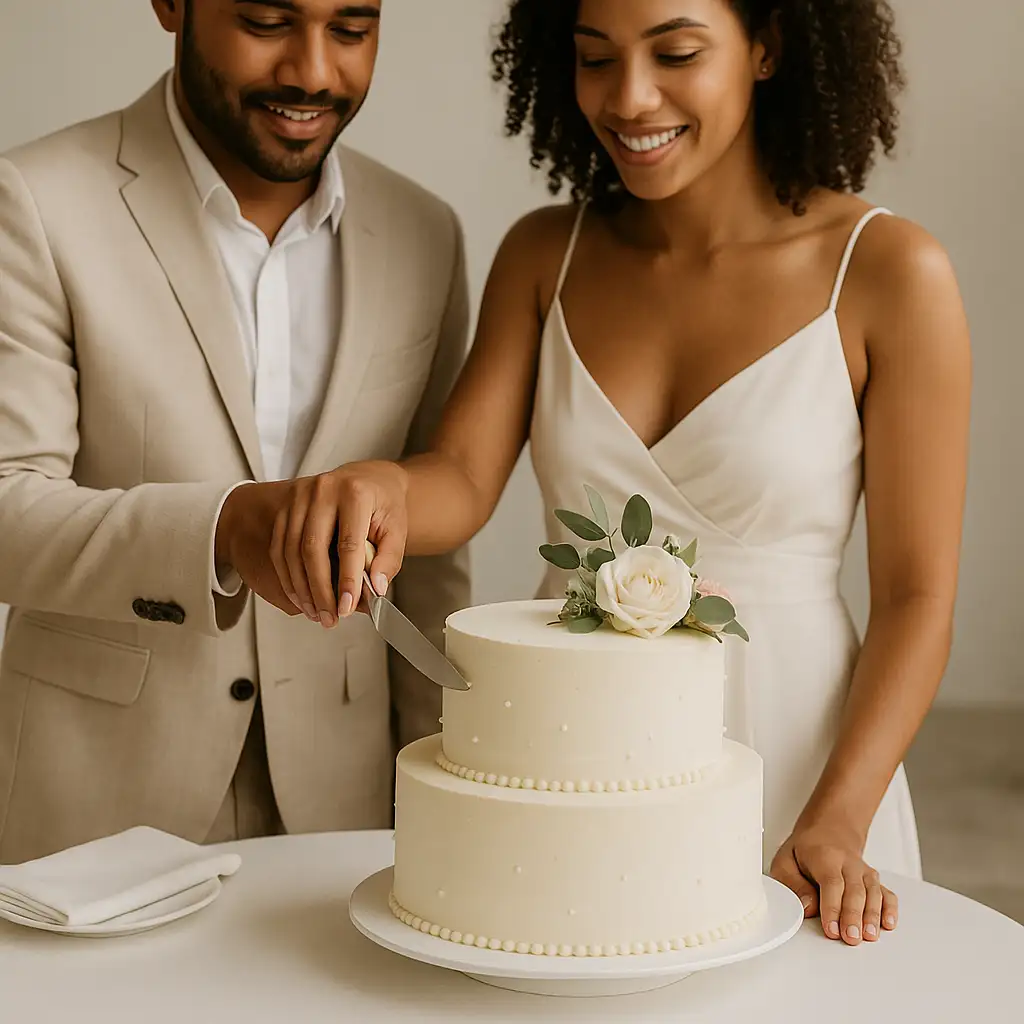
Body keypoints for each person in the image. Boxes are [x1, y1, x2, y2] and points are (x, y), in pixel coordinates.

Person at [254, 0, 973, 946]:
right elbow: (462, 479)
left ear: (767, 46)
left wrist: (838, 816)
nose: (630, 99)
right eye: (596, 58)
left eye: (675, 53)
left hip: (812, 763)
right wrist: (379, 488)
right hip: (580, 758)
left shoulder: (888, 271)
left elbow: (918, 598)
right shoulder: (547, 254)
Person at [0, 0, 470, 865]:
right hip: (93, 816)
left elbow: (426, 556)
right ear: (171, 5)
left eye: (352, 30)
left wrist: (453, 783)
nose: (314, 72)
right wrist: (225, 528)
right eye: (265, 21)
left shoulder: (424, 232)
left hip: (345, 813)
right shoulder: (33, 198)